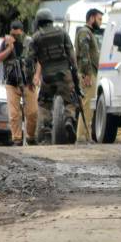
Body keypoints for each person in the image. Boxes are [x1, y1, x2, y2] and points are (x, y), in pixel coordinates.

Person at [25, 8, 79, 145]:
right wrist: (75, 76)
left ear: (39, 21)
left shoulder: (36, 37)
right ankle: (68, 120)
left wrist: (29, 79)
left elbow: (29, 61)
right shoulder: (62, 32)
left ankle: (47, 130)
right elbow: (72, 56)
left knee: (44, 104)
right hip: (64, 74)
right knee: (70, 100)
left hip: (47, 77)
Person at [0, 20, 39, 146]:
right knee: (14, 114)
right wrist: (9, 48)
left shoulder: (30, 42)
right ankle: (17, 139)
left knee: (32, 112)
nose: (15, 37)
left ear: (22, 31)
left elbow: (38, 59)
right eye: (13, 34)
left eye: (17, 35)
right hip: (11, 82)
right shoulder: (7, 42)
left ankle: (31, 136)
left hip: (28, 82)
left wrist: (37, 75)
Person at [75, 8, 103, 142]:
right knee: (86, 105)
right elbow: (84, 53)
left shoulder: (88, 33)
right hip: (87, 73)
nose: (101, 22)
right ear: (91, 18)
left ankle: (86, 136)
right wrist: (87, 74)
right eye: (99, 19)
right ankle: (81, 137)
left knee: (88, 105)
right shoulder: (85, 32)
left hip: (90, 72)